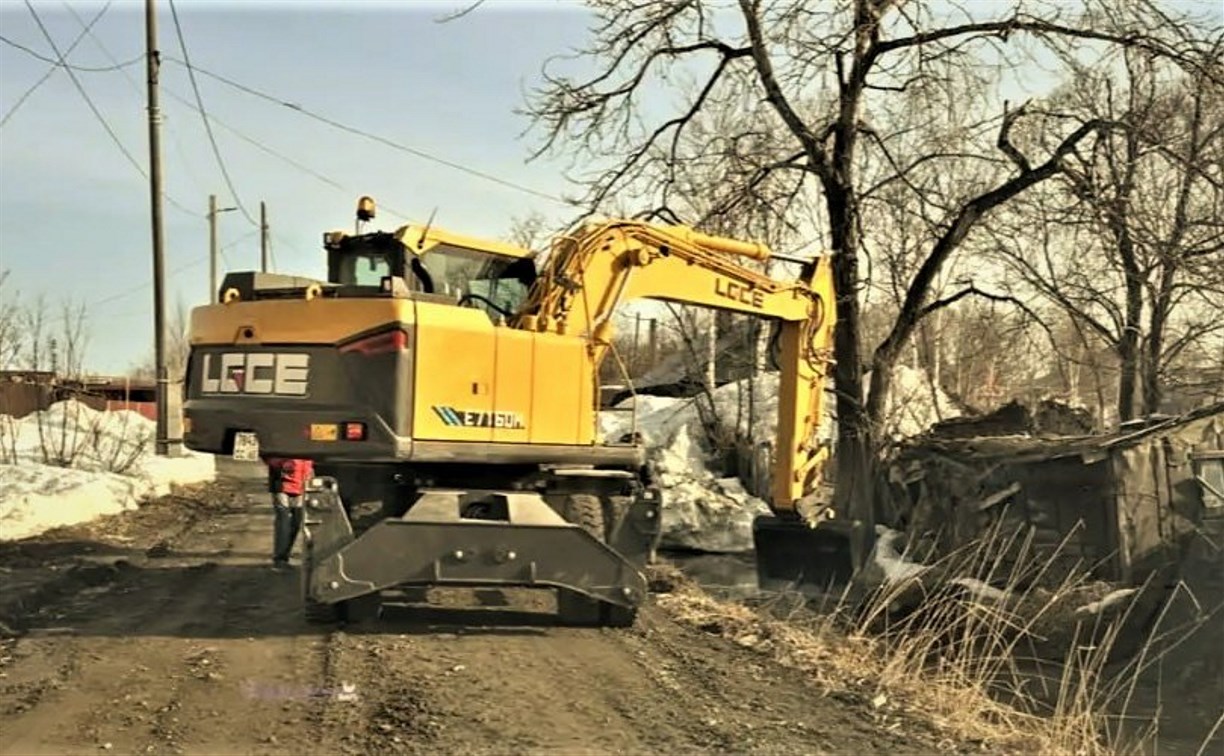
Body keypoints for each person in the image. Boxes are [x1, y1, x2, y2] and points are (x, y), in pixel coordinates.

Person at [263, 456, 314, 568]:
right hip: (281, 484)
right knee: (283, 520)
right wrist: (281, 464)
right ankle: (279, 559)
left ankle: (285, 555)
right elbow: (268, 455)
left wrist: (310, 473)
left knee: (296, 522)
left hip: (301, 485)